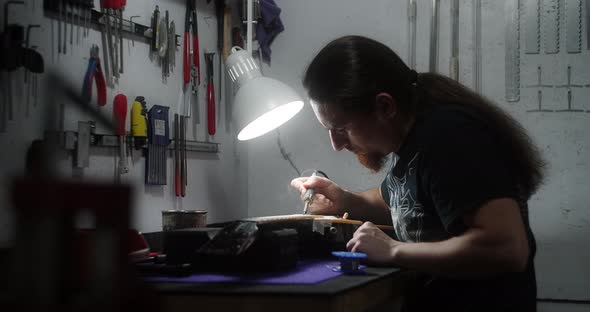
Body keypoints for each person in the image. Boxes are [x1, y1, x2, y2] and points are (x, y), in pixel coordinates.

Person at [290, 36, 545, 311]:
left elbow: (506, 247)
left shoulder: (450, 136)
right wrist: (344, 200)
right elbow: (409, 204)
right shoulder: (411, 143)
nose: (336, 145)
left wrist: (393, 251)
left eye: (341, 129)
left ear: (385, 107)